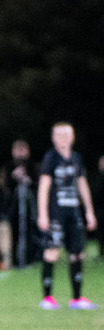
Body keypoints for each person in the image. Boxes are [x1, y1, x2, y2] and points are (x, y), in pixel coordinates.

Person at [37, 123, 98, 309]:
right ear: (53, 138)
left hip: (73, 211)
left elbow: (82, 185)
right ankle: (48, 298)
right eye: (59, 135)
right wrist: (43, 214)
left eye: (66, 135)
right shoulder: (50, 158)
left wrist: (89, 211)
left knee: (77, 253)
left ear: (72, 137)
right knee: (52, 251)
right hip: (56, 212)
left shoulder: (76, 158)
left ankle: (77, 298)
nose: (63, 138)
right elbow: (44, 186)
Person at [0, 139, 38, 268]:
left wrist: (28, 179)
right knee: (13, 233)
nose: (20, 153)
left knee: (30, 233)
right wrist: (13, 177)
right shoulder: (8, 166)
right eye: (17, 150)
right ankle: (15, 259)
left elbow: (38, 184)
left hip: (30, 207)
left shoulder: (33, 166)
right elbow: (2, 185)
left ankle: (29, 258)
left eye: (23, 150)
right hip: (13, 207)